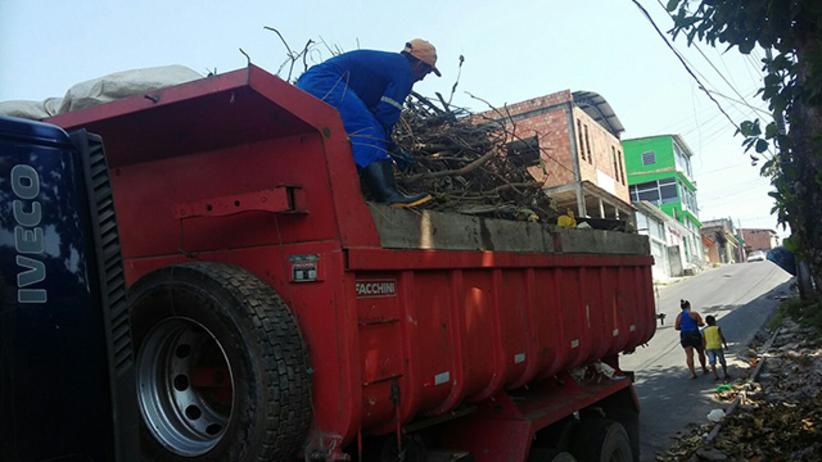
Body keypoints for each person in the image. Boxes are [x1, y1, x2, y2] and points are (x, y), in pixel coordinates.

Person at [296, 39, 439, 207]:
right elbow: (385, 117)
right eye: (427, 72)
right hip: (325, 82)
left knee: (360, 129)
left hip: (310, 82)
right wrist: (392, 150)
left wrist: (391, 146)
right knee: (365, 130)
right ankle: (388, 194)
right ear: (420, 65)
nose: (422, 78)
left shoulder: (385, 68)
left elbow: (376, 118)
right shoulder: (403, 70)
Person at [674, 299, 708, 379]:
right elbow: (701, 323)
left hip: (685, 336)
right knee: (700, 352)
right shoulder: (694, 314)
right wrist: (698, 323)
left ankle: (693, 373)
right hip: (695, 334)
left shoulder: (679, 316)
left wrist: (683, 327)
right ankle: (704, 369)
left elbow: (676, 327)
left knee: (689, 355)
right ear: (689, 306)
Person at [703, 315, 731, 381]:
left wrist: (704, 348)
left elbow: (704, 340)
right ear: (714, 321)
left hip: (709, 348)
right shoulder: (717, 328)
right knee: (722, 361)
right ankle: (725, 374)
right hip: (717, 346)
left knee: (712, 362)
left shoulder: (705, 330)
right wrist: (725, 345)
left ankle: (715, 376)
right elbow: (722, 337)